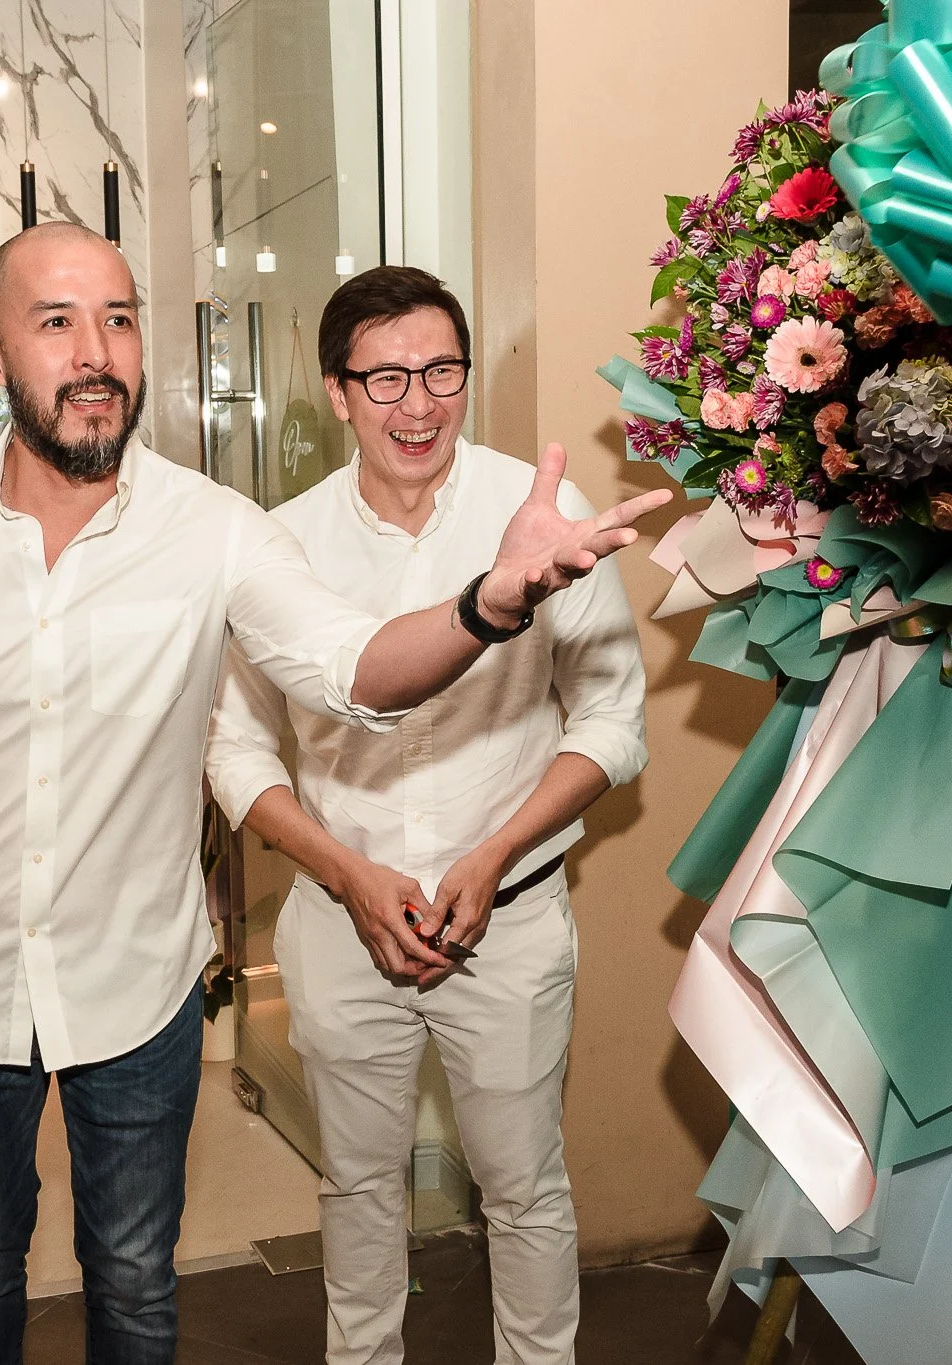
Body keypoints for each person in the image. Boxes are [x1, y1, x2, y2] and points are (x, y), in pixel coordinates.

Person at [0, 221, 669, 1365]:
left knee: (132, 1279)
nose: (96, 351)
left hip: (139, 988)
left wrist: (489, 603)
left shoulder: (214, 533)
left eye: (118, 318)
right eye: (56, 321)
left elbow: (355, 672)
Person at [205, 265, 648, 1364]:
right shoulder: (279, 541)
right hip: (336, 918)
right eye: (386, 378)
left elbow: (612, 721)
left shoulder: (539, 518)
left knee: (524, 1188)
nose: (418, 404)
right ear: (335, 392)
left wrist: (494, 854)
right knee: (356, 1186)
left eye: (440, 371)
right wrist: (347, 875)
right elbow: (232, 746)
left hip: (513, 915)